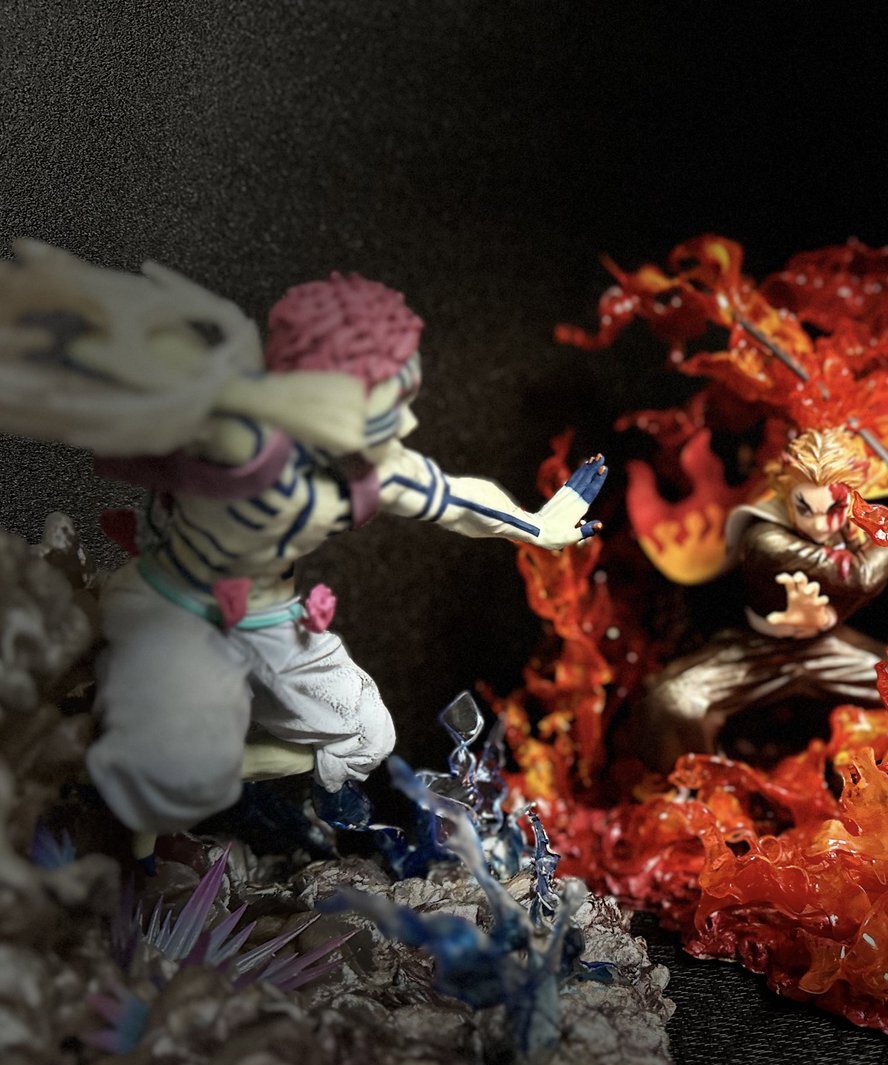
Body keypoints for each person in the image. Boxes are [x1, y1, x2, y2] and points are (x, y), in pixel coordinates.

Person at [0, 244, 606, 850]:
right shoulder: (230, 425)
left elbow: (455, 498)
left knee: (366, 735)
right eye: (386, 405)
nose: (404, 426)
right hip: (176, 609)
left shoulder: (364, 463)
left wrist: (534, 527)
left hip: (256, 621)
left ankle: (182, 783)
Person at [637, 427, 888, 771]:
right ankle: (696, 788)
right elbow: (859, 576)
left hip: (824, 645)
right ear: (786, 496)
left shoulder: (855, 525)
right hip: (759, 648)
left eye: (834, 509)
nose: (820, 526)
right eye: (805, 509)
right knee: (673, 702)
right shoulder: (766, 539)